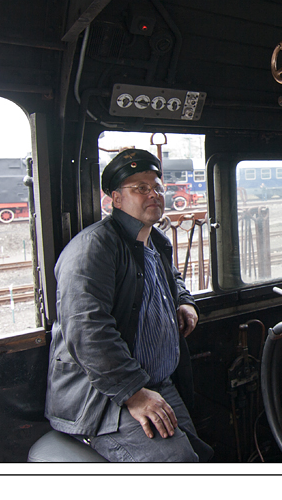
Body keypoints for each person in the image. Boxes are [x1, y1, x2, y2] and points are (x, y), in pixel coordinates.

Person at [44, 148, 213, 462]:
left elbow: (171, 278)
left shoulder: (155, 241)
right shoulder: (93, 249)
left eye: (157, 188)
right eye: (140, 189)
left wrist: (185, 303)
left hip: (154, 383)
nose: (153, 194)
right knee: (179, 463)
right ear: (115, 199)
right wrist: (134, 394)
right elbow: (87, 330)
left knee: (200, 452)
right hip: (104, 397)